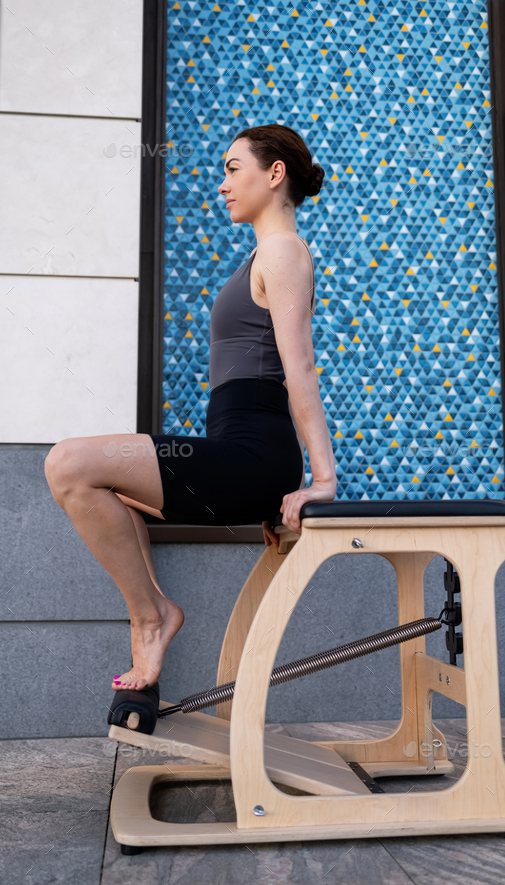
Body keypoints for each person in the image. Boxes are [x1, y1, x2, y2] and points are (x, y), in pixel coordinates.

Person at [44, 124, 337, 693]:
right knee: (107, 491)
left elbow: (298, 367)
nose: (222, 184)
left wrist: (321, 479)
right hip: (242, 450)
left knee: (68, 463)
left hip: (254, 453)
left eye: (233, 168)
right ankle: (152, 616)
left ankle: (151, 619)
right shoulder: (264, 253)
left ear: (274, 174)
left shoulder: (282, 252)